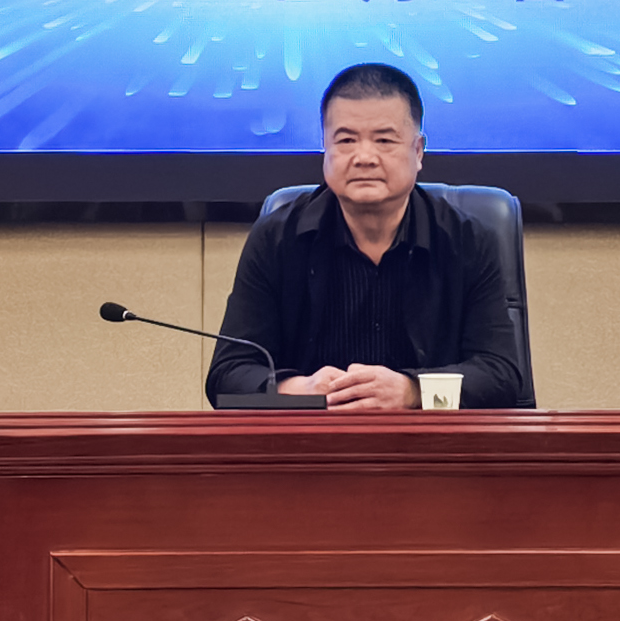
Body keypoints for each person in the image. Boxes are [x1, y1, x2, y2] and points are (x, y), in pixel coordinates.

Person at [208, 63, 529, 410]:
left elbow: (502, 378)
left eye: (384, 140)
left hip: (428, 439)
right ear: (325, 148)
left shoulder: (468, 240)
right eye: (346, 140)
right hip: (313, 438)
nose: (364, 157)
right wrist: (301, 390)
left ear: (418, 151)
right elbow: (227, 378)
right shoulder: (277, 239)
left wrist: (412, 392)